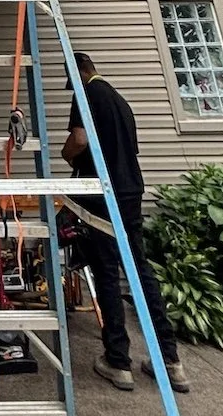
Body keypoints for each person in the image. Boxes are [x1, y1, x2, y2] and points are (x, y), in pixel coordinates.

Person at [62, 51, 189, 394]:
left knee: (106, 271)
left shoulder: (87, 93)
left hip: (103, 194)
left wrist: (66, 154)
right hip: (131, 190)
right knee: (140, 271)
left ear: (80, 72)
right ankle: (170, 362)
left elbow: (79, 139)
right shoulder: (120, 100)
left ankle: (118, 362)